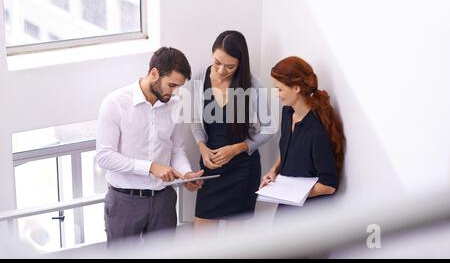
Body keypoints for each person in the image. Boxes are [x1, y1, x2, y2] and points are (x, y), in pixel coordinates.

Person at [96, 47, 204, 246]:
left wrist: (186, 174)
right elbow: (104, 156)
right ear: (154, 74)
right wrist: (150, 167)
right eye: (171, 85)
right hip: (124, 201)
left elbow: (176, 150)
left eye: (178, 87)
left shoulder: (176, 105)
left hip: (164, 200)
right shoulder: (115, 103)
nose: (173, 92)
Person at [190, 30, 274, 229]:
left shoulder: (253, 85)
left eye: (229, 66)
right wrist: (202, 147)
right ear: (212, 54)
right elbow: (194, 120)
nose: (221, 71)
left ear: (240, 64)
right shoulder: (200, 78)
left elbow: (270, 128)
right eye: (217, 62)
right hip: (211, 169)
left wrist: (237, 148)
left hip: (243, 170)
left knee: (235, 246)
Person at [260, 56, 345, 212]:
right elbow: (289, 150)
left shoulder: (316, 132)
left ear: (296, 88)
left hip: (307, 214)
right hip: (286, 204)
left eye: (279, 89)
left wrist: (292, 193)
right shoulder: (287, 113)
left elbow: (329, 185)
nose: (276, 94)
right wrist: (274, 171)